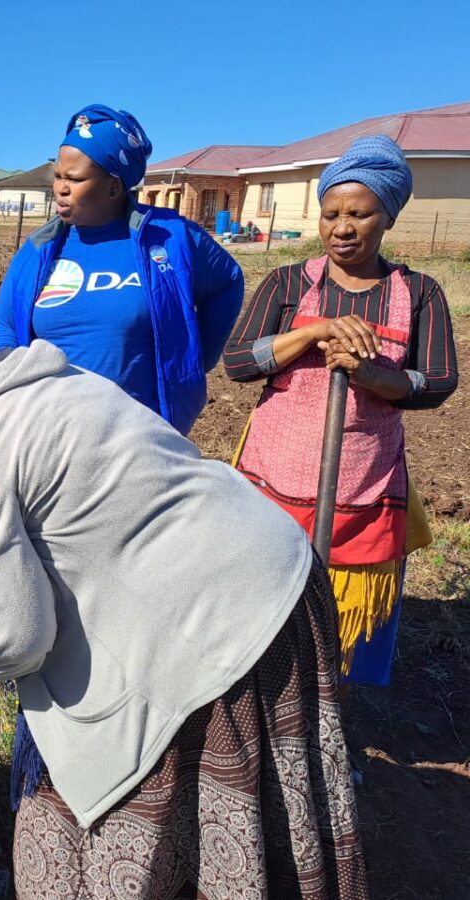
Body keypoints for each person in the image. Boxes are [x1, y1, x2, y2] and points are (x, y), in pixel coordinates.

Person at [0, 283, 368, 899]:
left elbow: (10, 639)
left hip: (208, 626)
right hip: (280, 573)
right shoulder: (53, 378)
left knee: (133, 810)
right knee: (259, 802)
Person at [225, 135, 458, 686]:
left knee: (341, 630)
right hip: (271, 477)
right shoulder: (288, 283)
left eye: (360, 213)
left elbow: (439, 381)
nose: (342, 228)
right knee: (263, 615)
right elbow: (238, 361)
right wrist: (314, 333)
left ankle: (331, 724)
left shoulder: (419, 293)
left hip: (364, 484)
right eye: (331, 214)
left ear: (388, 216)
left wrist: (373, 375)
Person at [0, 104, 244, 435]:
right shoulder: (38, 249)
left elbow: (229, 281)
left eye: (75, 179)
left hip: (141, 435)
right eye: (58, 176)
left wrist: (196, 361)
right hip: (49, 434)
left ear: (114, 186)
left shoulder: (170, 237)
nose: (61, 189)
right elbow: (5, 325)